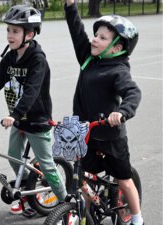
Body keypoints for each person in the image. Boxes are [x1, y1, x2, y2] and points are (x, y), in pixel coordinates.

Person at [0, 5, 67, 216]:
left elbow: (32, 91)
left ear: (30, 33)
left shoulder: (38, 59)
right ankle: (27, 192)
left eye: (15, 31)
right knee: (13, 157)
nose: (10, 35)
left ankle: (66, 205)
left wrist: (15, 114)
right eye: (8, 30)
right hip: (17, 120)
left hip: (36, 121)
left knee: (46, 166)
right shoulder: (10, 57)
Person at [64, 1, 143, 225]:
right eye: (95, 34)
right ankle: (83, 218)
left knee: (124, 180)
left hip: (110, 137)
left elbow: (132, 93)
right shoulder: (88, 59)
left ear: (117, 47)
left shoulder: (118, 71)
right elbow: (77, 32)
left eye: (102, 38)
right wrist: (70, 6)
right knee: (84, 179)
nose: (94, 39)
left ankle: (136, 218)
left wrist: (122, 112)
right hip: (87, 134)